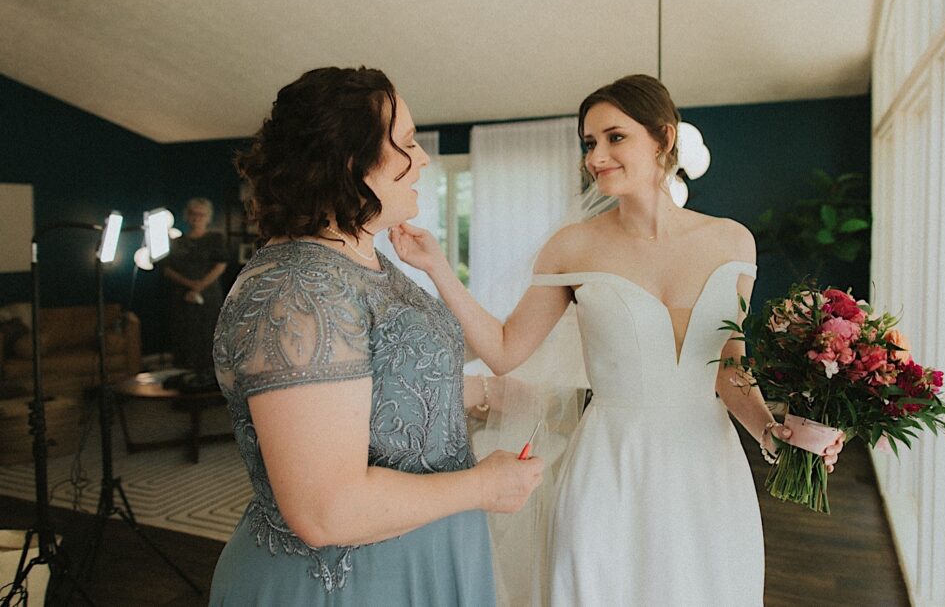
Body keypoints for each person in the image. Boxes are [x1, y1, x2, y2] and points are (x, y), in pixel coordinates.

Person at [391, 74, 845, 606]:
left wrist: (771, 434)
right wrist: (438, 266)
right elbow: (505, 349)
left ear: (664, 138)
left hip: (709, 470)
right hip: (612, 466)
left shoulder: (732, 241)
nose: (597, 156)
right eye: (589, 143)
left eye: (614, 137)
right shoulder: (572, 248)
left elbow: (728, 369)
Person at [207, 66, 544, 605]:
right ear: (351, 162)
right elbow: (325, 510)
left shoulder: (362, 260)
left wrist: (483, 395)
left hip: (425, 551)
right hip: (350, 582)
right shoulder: (298, 291)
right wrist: (482, 487)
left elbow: (380, 388)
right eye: (408, 143)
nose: (424, 160)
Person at [161, 197, 228, 372]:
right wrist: (189, 284)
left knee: (208, 336)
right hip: (181, 295)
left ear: (208, 217)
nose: (197, 218)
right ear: (187, 216)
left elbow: (220, 265)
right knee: (184, 336)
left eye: (201, 214)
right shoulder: (176, 242)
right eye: (193, 214)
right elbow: (167, 269)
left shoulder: (215, 239)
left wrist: (199, 286)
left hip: (209, 295)